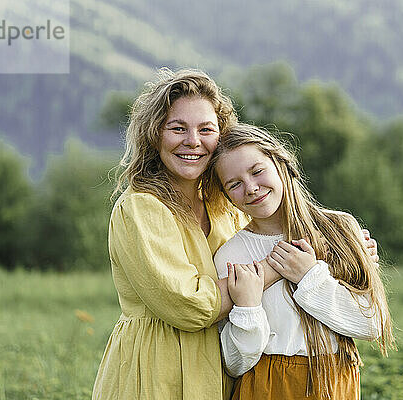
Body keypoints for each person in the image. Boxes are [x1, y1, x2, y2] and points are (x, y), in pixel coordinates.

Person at [92, 68, 381, 400]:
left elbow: (267, 244)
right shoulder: (141, 209)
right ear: (154, 134)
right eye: (177, 128)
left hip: (227, 375)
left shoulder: (226, 207)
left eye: (206, 129)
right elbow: (190, 306)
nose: (193, 141)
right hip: (160, 369)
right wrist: (287, 263)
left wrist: (345, 251)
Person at [205, 123, 395, 399]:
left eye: (257, 171)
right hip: (268, 385)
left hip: (335, 380)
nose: (251, 188)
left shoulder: (340, 229)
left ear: (280, 163)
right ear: (225, 194)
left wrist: (310, 277)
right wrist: (247, 307)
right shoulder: (232, 256)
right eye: (234, 184)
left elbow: (372, 324)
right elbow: (235, 364)